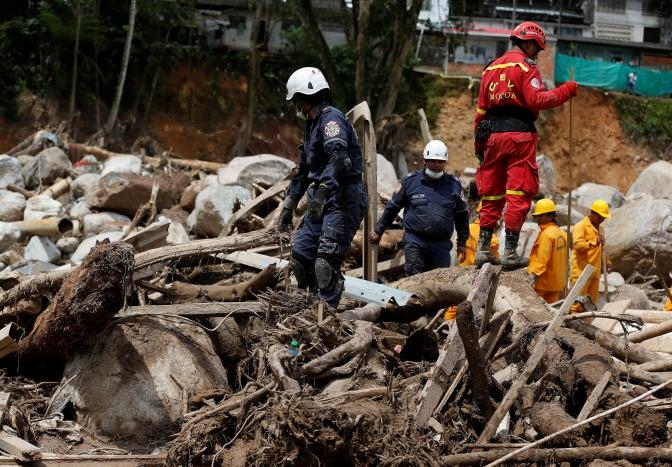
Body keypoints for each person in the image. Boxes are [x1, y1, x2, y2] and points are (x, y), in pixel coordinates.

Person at [473, 21, 578, 269]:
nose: (538, 55)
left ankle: (483, 249)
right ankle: (509, 252)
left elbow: (480, 111)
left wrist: (479, 144)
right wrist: (566, 90)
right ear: (529, 43)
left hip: (491, 138)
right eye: (537, 49)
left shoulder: (490, 69)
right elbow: (537, 99)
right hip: (519, 136)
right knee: (519, 192)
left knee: (491, 193)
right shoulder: (525, 67)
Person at [277, 67, 368, 308]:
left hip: (343, 198)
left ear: (304, 97)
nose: (295, 105)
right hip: (323, 197)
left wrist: (322, 193)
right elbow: (304, 170)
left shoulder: (331, 119)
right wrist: (289, 205)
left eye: (296, 99)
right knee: (300, 257)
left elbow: (339, 159)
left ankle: (324, 315)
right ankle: (307, 305)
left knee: (325, 263)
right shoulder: (312, 125)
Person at [368, 140, 469, 276]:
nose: (436, 165)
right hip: (416, 242)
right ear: (425, 161)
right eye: (432, 161)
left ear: (445, 162)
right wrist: (379, 230)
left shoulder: (454, 185)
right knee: (414, 279)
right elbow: (393, 207)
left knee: (439, 282)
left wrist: (462, 242)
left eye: (440, 161)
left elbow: (462, 215)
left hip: (441, 246)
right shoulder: (410, 182)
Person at [570, 199, 610, 313]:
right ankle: (572, 328)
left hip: (595, 273)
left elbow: (600, 248)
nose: (601, 220)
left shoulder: (600, 229)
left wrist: (606, 261)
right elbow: (577, 245)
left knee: (590, 305)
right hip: (581, 272)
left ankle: (586, 328)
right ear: (592, 213)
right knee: (577, 305)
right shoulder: (580, 226)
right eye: (600, 217)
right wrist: (594, 241)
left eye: (603, 218)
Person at [527, 198, 568, 303]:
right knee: (550, 313)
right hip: (557, 283)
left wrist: (534, 274)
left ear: (551, 216)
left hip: (543, 283)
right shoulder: (561, 233)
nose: (537, 219)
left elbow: (542, 259)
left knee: (536, 311)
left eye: (541, 216)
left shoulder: (546, 234)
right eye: (536, 216)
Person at [460, 201, 500, 267]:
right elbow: (494, 244)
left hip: (464, 266)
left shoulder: (468, 227)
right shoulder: (487, 233)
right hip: (478, 267)